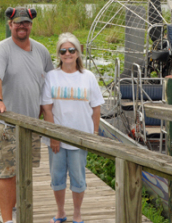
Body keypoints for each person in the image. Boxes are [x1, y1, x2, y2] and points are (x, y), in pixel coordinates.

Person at [0, 7, 54, 223]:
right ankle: (6, 219)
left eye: (26, 22)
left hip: (31, 124)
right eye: (18, 23)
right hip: (6, 123)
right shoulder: (1, 50)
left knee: (25, 171)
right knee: (7, 173)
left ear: (31, 25)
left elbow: (51, 83)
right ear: (10, 25)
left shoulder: (42, 51)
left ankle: (15, 208)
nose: (22, 26)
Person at [41, 32, 105, 223]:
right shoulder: (51, 76)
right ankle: (60, 212)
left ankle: (77, 213)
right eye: (63, 51)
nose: (67, 54)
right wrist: (53, 136)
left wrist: (94, 134)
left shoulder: (88, 76)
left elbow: (96, 107)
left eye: (71, 50)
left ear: (78, 52)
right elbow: (46, 107)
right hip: (57, 138)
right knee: (57, 177)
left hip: (80, 137)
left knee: (78, 178)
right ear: (58, 54)